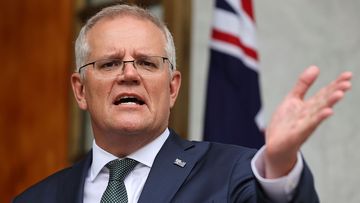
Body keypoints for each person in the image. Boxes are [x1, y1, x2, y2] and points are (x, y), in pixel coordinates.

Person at [13, 4, 352, 203]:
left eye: (147, 63)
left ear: (173, 88)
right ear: (81, 90)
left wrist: (280, 166)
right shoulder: (33, 199)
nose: (129, 75)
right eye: (109, 63)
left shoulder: (235, 176)